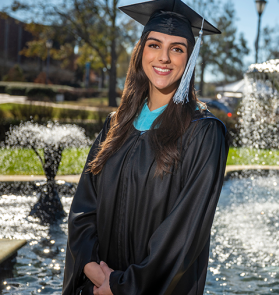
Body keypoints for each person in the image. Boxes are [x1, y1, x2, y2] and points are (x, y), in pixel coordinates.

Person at [62, 0, 228, 294]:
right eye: (154, 45)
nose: (163, 58)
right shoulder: (115, 124)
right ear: (141, 52)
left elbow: (184, 233)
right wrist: (91, 269)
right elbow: (83, 208)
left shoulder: (203, 133)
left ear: (189, 59)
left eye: (177, 49)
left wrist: (120, 285)